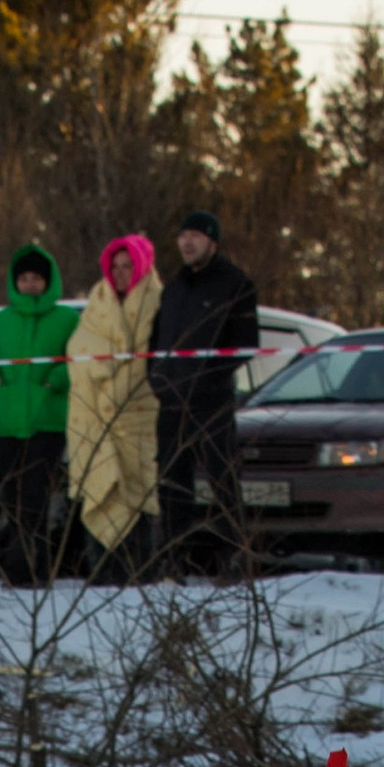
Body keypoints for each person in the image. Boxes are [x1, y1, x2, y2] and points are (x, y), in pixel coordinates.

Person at [150, 206, 261, 577]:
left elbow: (245, 343)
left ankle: (236, 557)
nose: (187, 243)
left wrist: (209, 378)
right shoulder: (174, 289)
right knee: (171, 482)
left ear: (211, 241)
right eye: (182, 237)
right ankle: (174, 560)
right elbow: (156, 341)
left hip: (211, 402)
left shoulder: (235, 284)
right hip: (170, 402)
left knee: (222, 480)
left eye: (195, 237)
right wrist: (159, 378)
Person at [0, 242, 79, 584]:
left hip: (47, 421)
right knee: (13, 497)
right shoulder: (0, 322)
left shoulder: (67, 319)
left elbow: (78, 360)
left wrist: (55, 380)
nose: (30, 284)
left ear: (48, 282)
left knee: (37, 497)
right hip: (6, 422)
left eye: (36, 278)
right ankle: (18, 567)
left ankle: (36, 569)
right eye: (25, 278)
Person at [63, 233, 160, 575]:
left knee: (137, 493)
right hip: (95, 417)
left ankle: (142, 573)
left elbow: (154, 359)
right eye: (115, 267)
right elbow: (78, 350)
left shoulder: (157, 302)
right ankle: (104, 575)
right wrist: (102, 367)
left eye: (127, 266)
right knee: (101, 490)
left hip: (138, 416)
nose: (120, 274)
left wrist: (120, 381)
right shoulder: (97, 303)